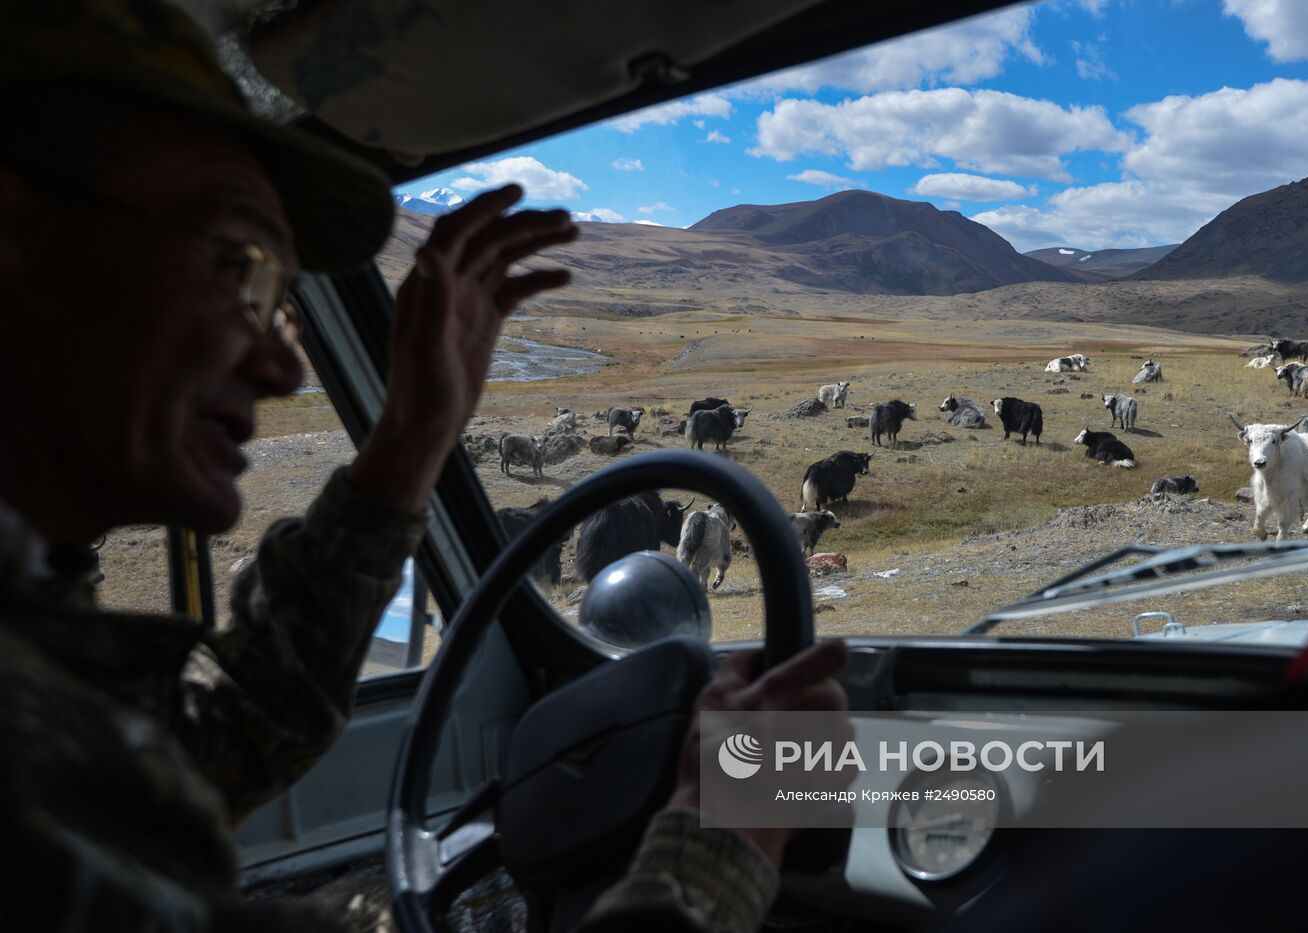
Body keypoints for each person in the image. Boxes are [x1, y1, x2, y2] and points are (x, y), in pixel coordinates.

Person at [0, 2, 847, 931]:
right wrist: (719, 840)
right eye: (238, 268)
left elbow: (213, 750)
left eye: (284, 306)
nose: (283, 367)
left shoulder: (43, 671)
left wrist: (411, 437)